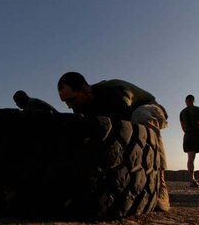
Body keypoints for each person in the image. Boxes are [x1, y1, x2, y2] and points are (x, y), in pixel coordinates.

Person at [57, 72, 170, 211]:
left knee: (140, 117)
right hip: (123, 116)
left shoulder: (113, 92)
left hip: (148, 108)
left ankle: (161, 186)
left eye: (72, 99)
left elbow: (126, 132)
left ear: (85, 90)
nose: (69, 106)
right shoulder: (80, 106)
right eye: (65, 102)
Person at [179, 95, 199, 188]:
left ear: (186, 101)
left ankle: (192, 180)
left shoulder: (182, 112)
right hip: (198, 134)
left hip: (188, 135)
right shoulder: (198, 109)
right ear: (193, 100)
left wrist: (188, 132)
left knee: (190, 159)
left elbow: (183, 126)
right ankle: (192, 180)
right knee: (191, 159)